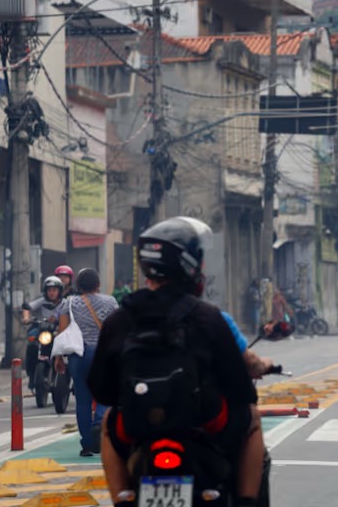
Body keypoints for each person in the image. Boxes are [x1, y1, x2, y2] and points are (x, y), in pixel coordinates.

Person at [87, 217, 264, 507]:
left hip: (138, 426)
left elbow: (102, 390)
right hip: (205, 421)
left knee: (108, 423)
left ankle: (122, 500)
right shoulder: (208, 317)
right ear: (190, 265)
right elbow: (241, 389)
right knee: (252, 419)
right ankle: (246, 501)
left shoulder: (120, 319)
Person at [54, 268, 118, 456]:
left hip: (78, 355)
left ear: (78, 285)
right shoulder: (110, 302)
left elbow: (62, 331)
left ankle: (87, 444)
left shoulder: (69, 303)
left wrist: (58, 357)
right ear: (98, 284)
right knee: (106, 394)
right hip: (103, 354)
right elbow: (118, 328)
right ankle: (99, 422)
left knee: (82, 400)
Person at [23, 276, 64, 391]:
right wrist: (26, 318)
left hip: (58, 330)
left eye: (54, 290)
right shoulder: (42, 301)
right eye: (49, 290)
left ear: (59, 291)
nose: (52, 293)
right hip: (42, 329)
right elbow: (27, 307)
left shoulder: (64, 303)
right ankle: (31, 374)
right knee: (32, 344)